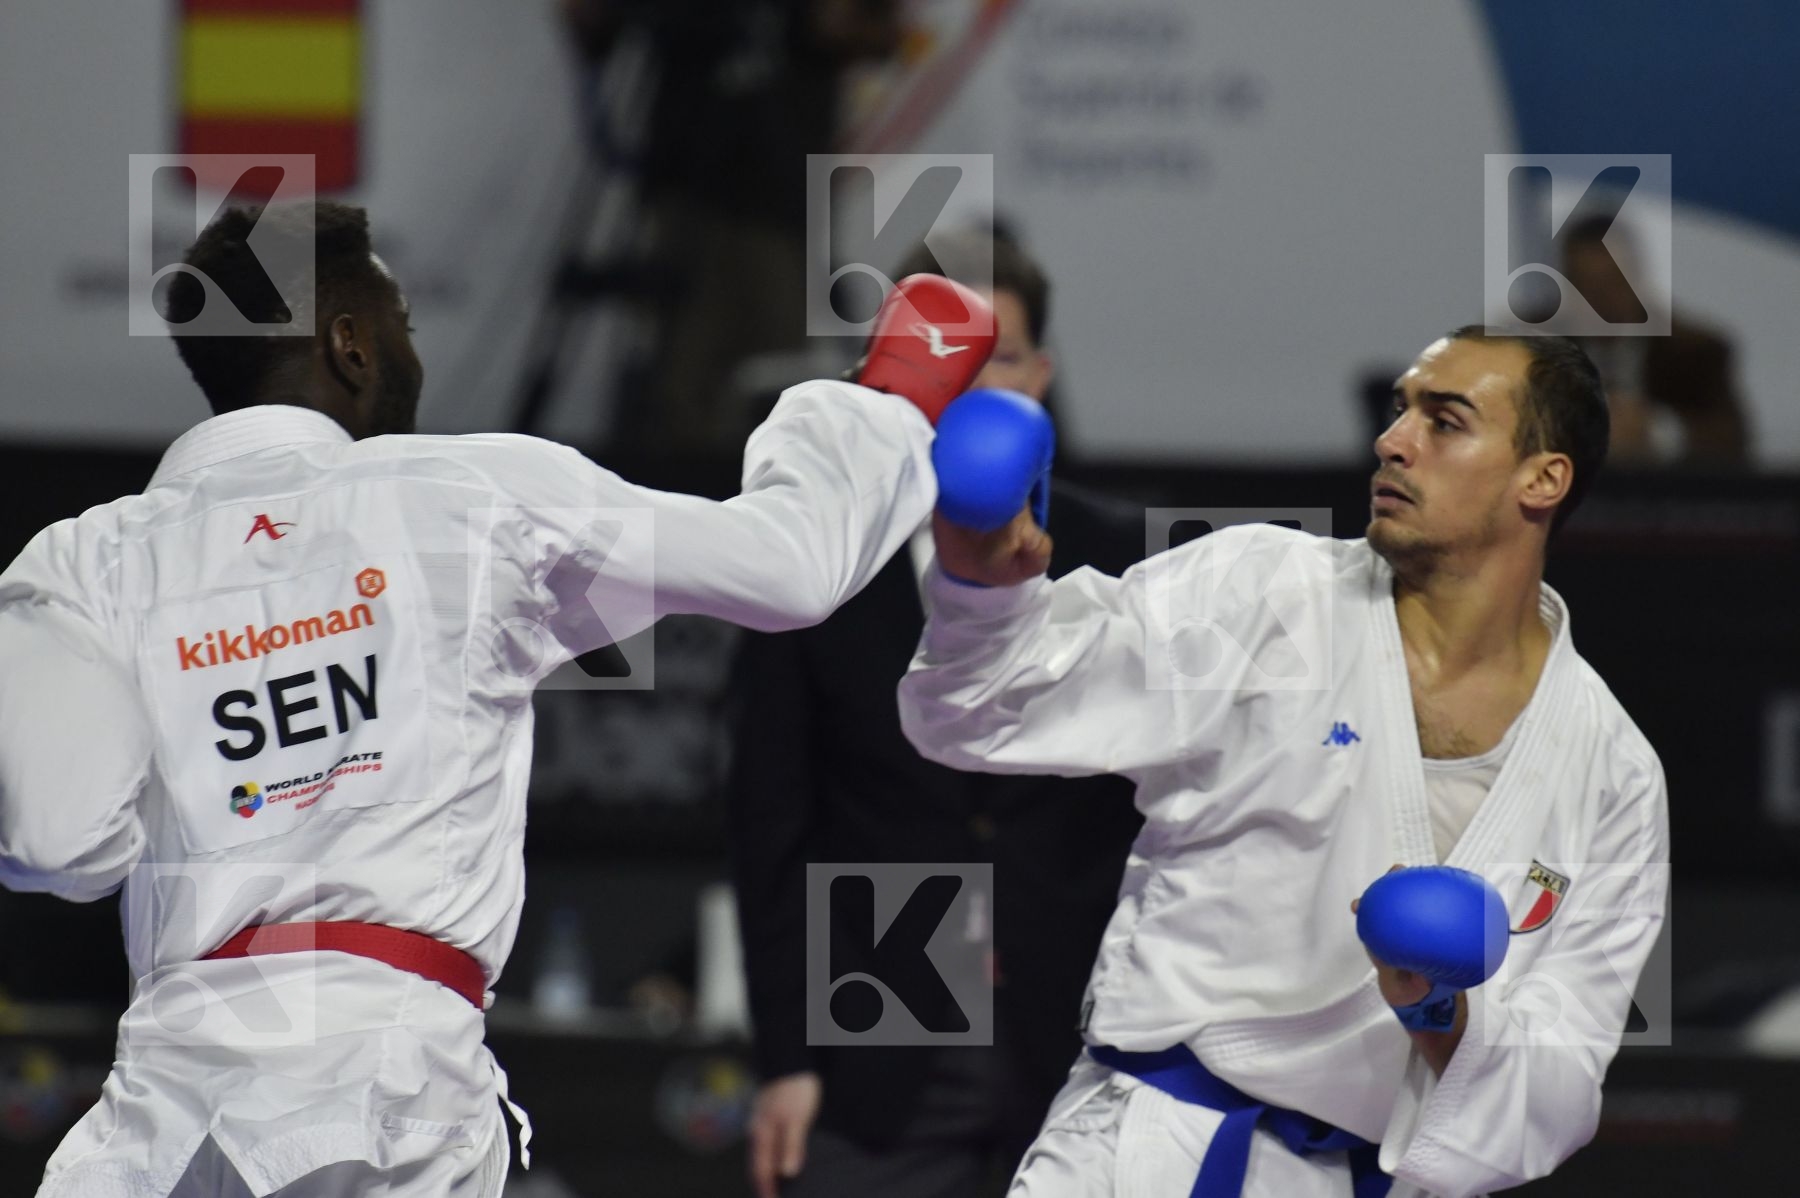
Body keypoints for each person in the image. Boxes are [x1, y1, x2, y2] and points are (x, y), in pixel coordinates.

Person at [0, 200, 987, 1197]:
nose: (413, 355)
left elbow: (58, 847)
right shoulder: (468, 500)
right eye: (403, 325)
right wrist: (895, 393)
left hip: (159, 1129)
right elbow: (786, 565)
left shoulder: (85, 561)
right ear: (349, 343)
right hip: (380, 1108)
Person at [897, 328, 1669, 1197]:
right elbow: (983, 705)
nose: (1392, 439)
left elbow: (1559, 1094)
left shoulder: (1613, 774)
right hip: (1149, 1149)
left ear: (1543, 478)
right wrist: (977, 587)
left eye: (1444, 421)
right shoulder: (1266, 596)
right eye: (1399, 411)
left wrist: (1437, 1010)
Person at [731, 232, 1145, 1198]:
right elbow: (769, 819)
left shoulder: (1121, 552)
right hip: (882, 1008)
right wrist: (786, 1058)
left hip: (1081, 1014)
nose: (969, 384)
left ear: (1039, 376)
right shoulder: (819, 559)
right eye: (942, 358)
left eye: (995, 356)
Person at [1559, 215, 1750, 464]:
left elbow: (1731, 436)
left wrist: (1658, 431)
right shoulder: (1534, 346)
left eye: (1614, 282)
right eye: (1587, 287)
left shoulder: (1695, 350)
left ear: (1636, 277)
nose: (1601, 300)